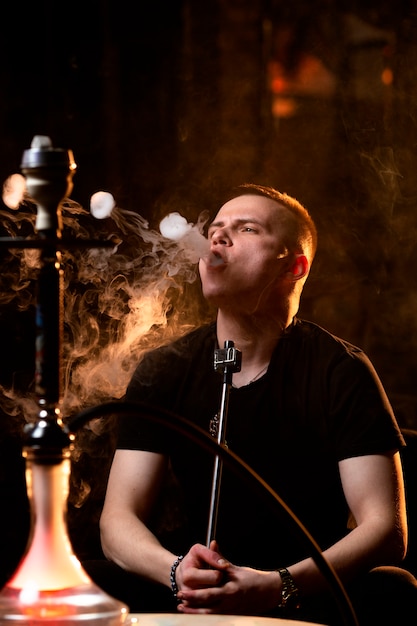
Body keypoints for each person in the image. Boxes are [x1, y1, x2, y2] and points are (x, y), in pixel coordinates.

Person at [95, 184, 417, 625]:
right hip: (191, 583)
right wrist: (176, 573)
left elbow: (385, 531)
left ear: (295, 266)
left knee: (393, 589)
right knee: (75, 587)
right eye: (215, 229)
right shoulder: (164, 368)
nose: (218, 239)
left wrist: (276, 585)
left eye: (247, 229)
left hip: (305, 586)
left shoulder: (340, 370)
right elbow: (117, 520)